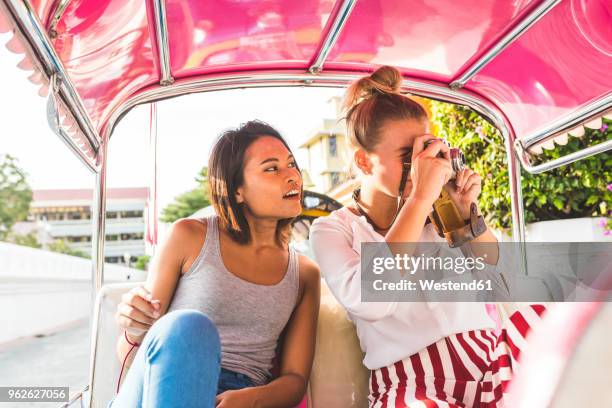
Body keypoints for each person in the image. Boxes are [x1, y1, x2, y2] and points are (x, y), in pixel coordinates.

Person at [309, 66, 545, 407]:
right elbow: (372, 301)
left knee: (553, 320)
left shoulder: (441, 210)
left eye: (426, 152)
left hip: (488, 361)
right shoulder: (333, 229)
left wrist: (466, 218)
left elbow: (506, 283)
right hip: (411, 386)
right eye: (408, 157)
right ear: (363, 161)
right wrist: (420, 198)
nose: (422, 167)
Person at [110, 121, 320, 408]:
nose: (293, 176)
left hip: (239, 396)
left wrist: (252, 399)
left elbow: (295, 378)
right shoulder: (189, 236)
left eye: (292, 164)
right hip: (157, 386)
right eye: (272, 168)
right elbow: (132, 355)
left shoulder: (305, 274)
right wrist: (133, 330)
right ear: (236, 191)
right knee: (188, 326)